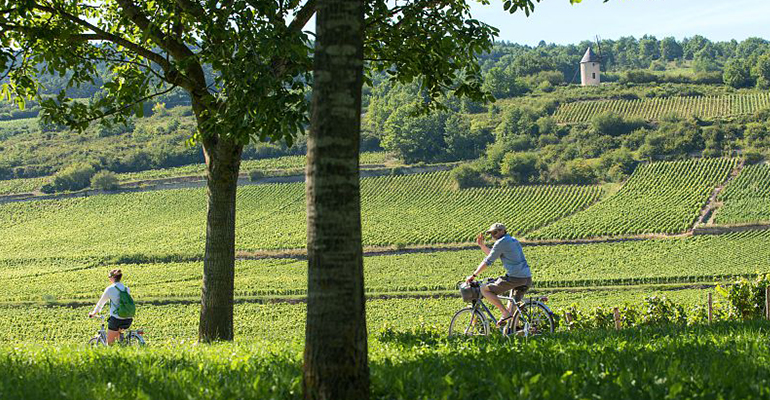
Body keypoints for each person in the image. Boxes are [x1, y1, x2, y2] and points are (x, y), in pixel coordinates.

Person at [466, 223, 532, 327]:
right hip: (526, 278)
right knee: (513, 306)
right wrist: (482, 246)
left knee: (484, 289)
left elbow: (488, 261)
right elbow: (494, 254)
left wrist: (474, 275)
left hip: (515, 278)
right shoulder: (512, 240)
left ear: (502, 231)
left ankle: (504, 313)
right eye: (491, 234)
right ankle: (516, 330)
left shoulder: (501, 242)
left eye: (495, 232)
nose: (493, 235)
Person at [89, 269, 133, 345]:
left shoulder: (110, 289)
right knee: (120, 341)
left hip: (116, 319)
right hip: (128, 319)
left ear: (113, 278)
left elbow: (100, 304)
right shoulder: (126, 289)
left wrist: (93, 313)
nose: (109, 279)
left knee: (110, 344)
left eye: (109, 277)